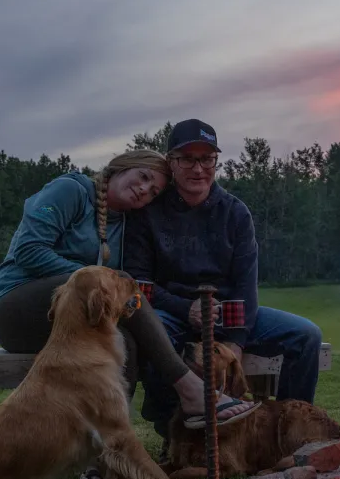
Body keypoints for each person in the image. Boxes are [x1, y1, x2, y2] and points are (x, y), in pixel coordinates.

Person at [0, 149, 259, 451]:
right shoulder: (72, 190)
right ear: (120, 168)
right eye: (143, 177)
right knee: (124, 284)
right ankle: (191, 390)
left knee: (126, 342)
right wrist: (100, 277)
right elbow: (29, 250)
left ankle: (108, 452)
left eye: (153, 191)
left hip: (78, 317)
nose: (144, 190)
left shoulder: (126, 223)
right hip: (18, 309)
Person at [123, 119, 323, 439]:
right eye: (187, 159)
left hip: (228, 311)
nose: (198, 168)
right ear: (171, 163)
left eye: (207, 158)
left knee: (307, 336)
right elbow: (138, 283)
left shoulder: (235, 213)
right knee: (152, 333)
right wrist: (183, 307)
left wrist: (236, 340)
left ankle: (288, 432)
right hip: (171, 311)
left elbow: (246, 284)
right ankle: (174, 433)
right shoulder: (149, 213)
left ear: (216, 161)